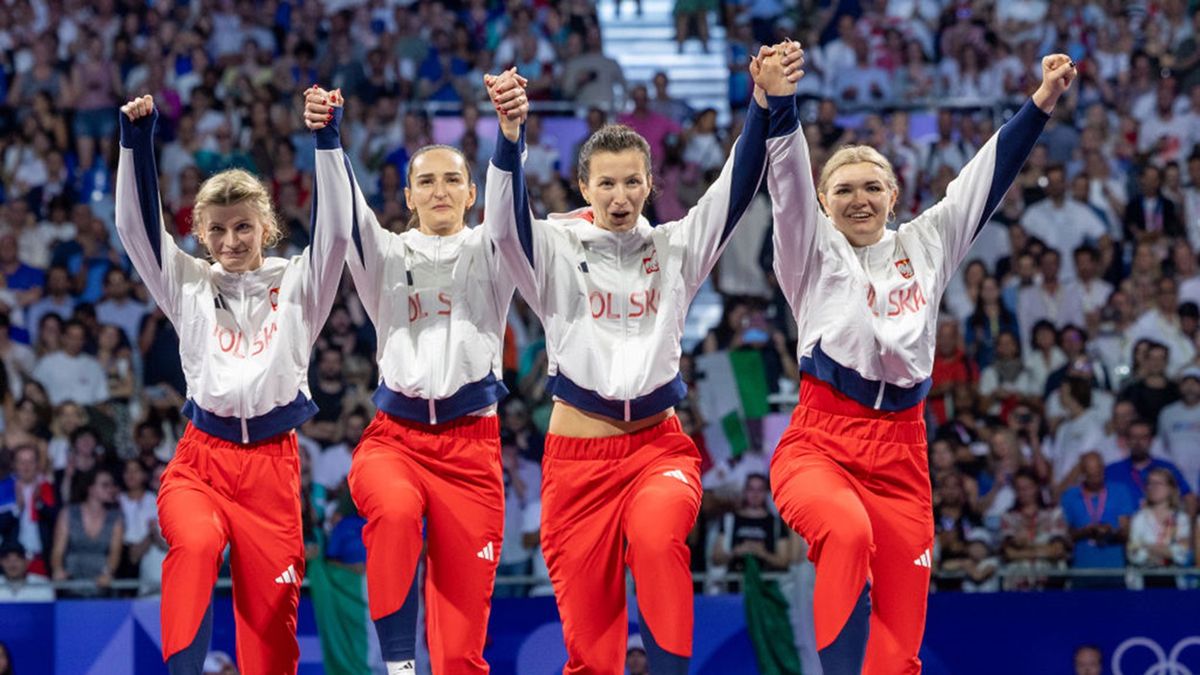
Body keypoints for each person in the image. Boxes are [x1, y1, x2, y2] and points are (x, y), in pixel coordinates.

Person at [483, 44, 802, 674]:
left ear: (651, 185)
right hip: (576, 466)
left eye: (633, 181)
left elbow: (735, 189)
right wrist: (510, 137)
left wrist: (762, 103)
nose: (620, 195)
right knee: (591, 651)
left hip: (659, 451)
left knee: (659, 542)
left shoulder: (676, 248)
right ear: (584, 187)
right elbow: (502, 225)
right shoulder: (553, 249)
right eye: (606, 183)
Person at [765, 53, 1075, 673]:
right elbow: (788, 182)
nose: (859, 200)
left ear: (893, 194)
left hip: (904, 454)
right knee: (846, 534)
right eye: (843, 190)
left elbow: (987, 176)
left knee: (899, 647)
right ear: (823, 202)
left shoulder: (926, 243)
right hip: (821, 443)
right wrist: (780, 104)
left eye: (871, 187)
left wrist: (1041, 99)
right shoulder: (808, 249)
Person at [114, 90, 351, 674]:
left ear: (266, 227)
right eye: (217, 230)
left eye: (244, 227)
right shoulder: (187, 284)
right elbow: (137, 231)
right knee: (195, 546)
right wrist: (135, 144)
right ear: (200, 232)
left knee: (271, 632)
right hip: (202, 463)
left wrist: (327, 140)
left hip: (273, 472)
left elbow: (336, 235)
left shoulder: (300, 284)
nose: (231, 242)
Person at [313, 84, 517, 674]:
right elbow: (346, 212)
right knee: (397, 513)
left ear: (473, 193)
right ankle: (399, 664)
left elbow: (510, 205)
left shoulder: (494, 250)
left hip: (472, 452)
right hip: (395, 441)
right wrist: (327, 136)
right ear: (408, 195)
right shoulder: (384, 255)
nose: (439, 190)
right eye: (425, 181)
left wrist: (511, 134)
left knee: (459, 652)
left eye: (453, 179)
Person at [1126, 468, 1192, 589]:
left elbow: (1182, 554)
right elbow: (1134, 554)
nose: (1153, 487)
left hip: (1175, 581)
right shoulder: (1139, 519)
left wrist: (1147, 546)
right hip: (1143, 581)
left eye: (1158, 483)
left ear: (1171, 488)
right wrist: (1167, 551)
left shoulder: (1181, 519)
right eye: (1149, 483)